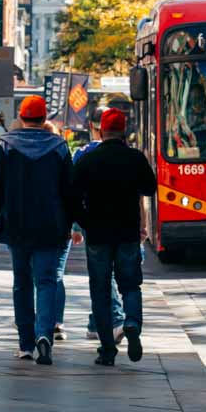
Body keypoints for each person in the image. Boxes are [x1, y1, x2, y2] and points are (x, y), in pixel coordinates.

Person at [0, 94, 76, 366]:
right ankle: (45, 336)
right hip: (51, 225)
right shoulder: (60, 146)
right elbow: (69, 191)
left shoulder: (6, 145)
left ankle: (26, 344)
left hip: (17, 224)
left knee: (22, 283)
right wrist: (71, 221)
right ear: (44, 118)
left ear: (21, 117)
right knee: (47, 281)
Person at [72, 106, 157, 367]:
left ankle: (107, 350)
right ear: (123, 131)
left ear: (101, 130)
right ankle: (131, 322)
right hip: (128, 232)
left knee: (100, 290)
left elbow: (73, 198)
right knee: (130, 285)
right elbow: (149, 188)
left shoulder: (88, 160)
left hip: (98, 234)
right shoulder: (135, 158)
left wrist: (85, 222)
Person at [74, 113, 125, 345]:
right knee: (113, 276)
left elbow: (75, 194)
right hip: (126, 225)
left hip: (94, 225)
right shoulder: (129, 154)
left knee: (100, 278)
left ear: (95, 129)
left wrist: (79, 223)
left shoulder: (83, 155)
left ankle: (113, 321)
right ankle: (98, 324)